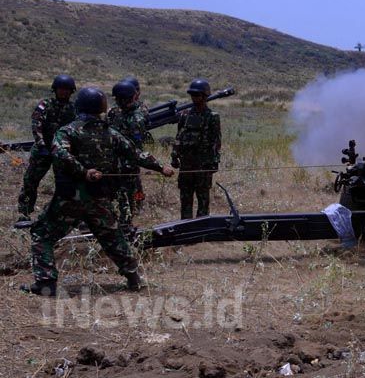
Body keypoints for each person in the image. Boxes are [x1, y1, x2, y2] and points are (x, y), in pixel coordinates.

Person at [20, 87, 174, 296]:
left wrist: (83, 172)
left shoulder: (68, 131)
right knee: (113, 238)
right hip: (99, 197)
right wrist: (160, 167)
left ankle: (46, 283)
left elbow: (60, 154)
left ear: (79, 106)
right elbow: (135, 153)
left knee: (41, 235)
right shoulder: (110, 133)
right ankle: (133, 278)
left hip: (70, 198)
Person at [17, 75, 77, 221]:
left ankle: (63, 214)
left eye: (67, 90)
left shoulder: (74, 109)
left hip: (62, 152)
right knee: (31, 181)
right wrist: (42, 145)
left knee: (65, 183)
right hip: (42, 151)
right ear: (55, 90)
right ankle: (24, 213)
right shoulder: (45, 104)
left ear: (71, 92)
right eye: (60, 89)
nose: (63, 92)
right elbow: (36, 125)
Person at [171, 79, 221, 219]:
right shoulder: (184, 115)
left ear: (205, 96)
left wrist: (214, 162)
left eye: (197, 95)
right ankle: (185, 227)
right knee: (185, 199)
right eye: (192, 95)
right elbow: (179, 137)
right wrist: (174, 156)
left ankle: (201, 230)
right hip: (186, 165)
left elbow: (216, 141)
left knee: (203, 199)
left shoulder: (212, 117)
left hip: (203, 165)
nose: (194, 98)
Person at [107, 81, 149, 238]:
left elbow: (135, 148)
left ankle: (126, 227)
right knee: (113, 194)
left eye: (124, 99)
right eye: (119, 99)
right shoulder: (114, 114)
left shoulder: (136, 118)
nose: (121, 102)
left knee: (130, 194)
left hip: (128, 165)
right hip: (113, 163)